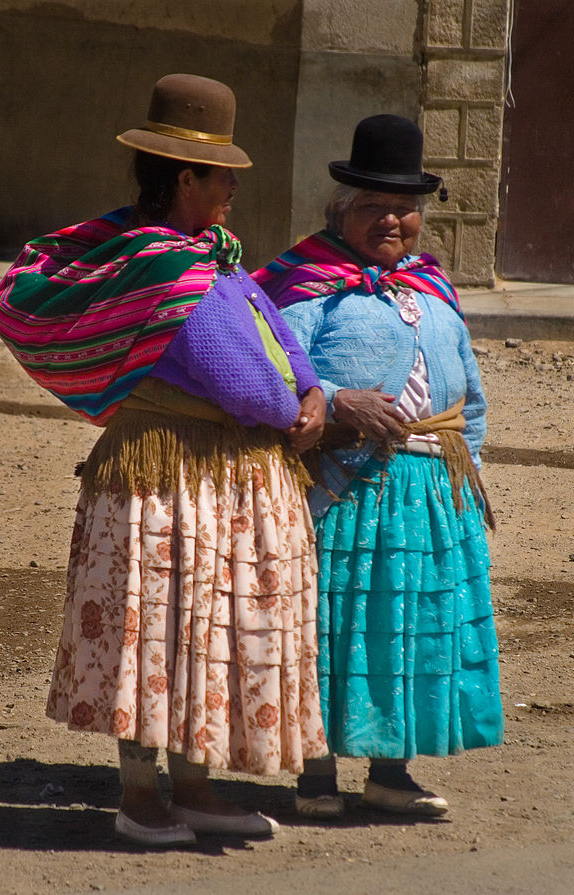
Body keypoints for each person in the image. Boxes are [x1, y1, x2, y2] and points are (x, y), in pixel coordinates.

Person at [0, 73, 328, 847]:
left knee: (202, 632)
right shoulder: (161, 271)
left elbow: (271, 325)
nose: (234, 187)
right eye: (222, 174)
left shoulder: (212, 256)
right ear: (184, 181)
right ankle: (141, 795)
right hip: (168, 480)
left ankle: (195, 785)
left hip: (216, 479)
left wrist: (311, 385)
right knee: (156, 630)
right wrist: (295, 412)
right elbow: (235, 373)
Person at [253, 114, 504, 819]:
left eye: (404, 207)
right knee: (332, 625)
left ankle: (392, 772)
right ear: (341, 210)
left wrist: (465, 471)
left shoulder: (433, 290)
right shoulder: (306, 284)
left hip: (430, 490)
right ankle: (315, 775)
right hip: (344, 487)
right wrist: (339, 398)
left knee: (410, 627)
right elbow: (270, 368)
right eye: (373, 206)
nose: (391, 219)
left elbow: (469, 395)